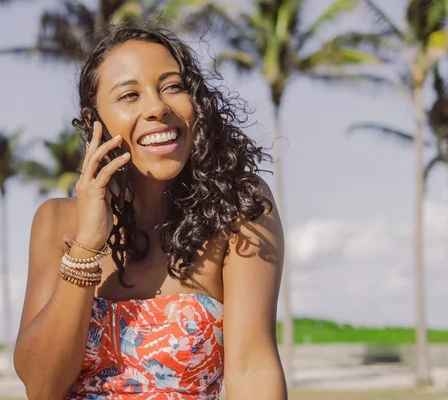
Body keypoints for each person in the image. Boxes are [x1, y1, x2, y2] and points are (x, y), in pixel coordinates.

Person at [14, 23, 287, 400]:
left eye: (172, 86)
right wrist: (87, 248)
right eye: (129, 95)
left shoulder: (236, 209)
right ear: (94, 119)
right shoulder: (56, 220)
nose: (157, 107)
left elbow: (252, 369)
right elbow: (41, 386)